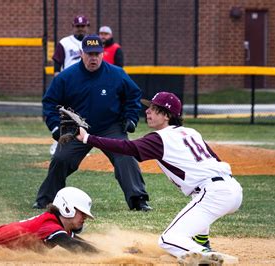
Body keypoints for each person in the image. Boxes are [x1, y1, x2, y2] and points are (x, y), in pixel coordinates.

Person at [76, 91, 243, 264]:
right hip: (232, 189)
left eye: (155, 109)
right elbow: (214, 159)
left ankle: (210, 256)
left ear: (167, 115)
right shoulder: (191, 132)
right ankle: (202, 244)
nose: (148, 111)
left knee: (167, 240)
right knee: (197, 204)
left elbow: (127, 147)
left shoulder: (161, 138)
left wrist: (87, 138)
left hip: (214, 193)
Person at [33, 34, 151, 212]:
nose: (93, 58)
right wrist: (56, 127)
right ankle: (45, 200)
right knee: (60, 158)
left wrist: (131, 117)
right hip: (76, 128)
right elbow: (50, 102)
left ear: (103, 54)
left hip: (110, 127)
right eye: (89, 54)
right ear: (81, 53)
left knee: (126, 157)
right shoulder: (66, 77)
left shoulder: (117, 74)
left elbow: (133, 96)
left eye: (97, 53)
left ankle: (138, 200)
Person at [49, 15, 90, 156]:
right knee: (64, 115)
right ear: (73, 27)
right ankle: (57, 143)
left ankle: (81, 144)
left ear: (87, 27)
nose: (80, 29)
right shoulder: (65, 42)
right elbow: (57, 61)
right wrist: (56, 76)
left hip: (86, 83)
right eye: (78, 26)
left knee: (82, 116)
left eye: (83, 26)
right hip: (68, 83)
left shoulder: (90, 42)